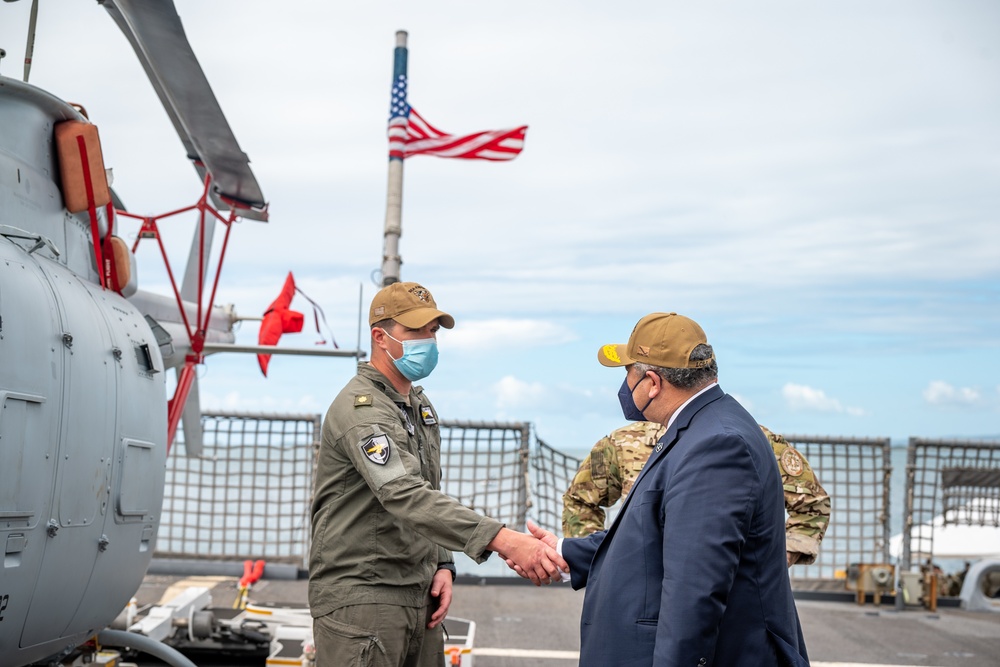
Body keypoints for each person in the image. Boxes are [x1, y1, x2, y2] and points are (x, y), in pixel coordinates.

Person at [522, 312, 809, 666]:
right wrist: (566, 550)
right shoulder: (702, 428)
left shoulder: (716, 445)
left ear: (653, 382)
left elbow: (695, 593)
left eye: (628, 373)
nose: (625, 386)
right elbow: (657, 534)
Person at [309, 281, 566, 666]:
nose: (428, 341)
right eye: (415, 331)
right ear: (381, 337)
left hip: (417, 590)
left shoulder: (417, 403)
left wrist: (442, 563)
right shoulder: (362, 410)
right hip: (364, 595)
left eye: (432, 331)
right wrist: (504, 540)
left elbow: (428, 490)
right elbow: (403, 493)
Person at [562, 422, 831, 567]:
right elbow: (580, 501)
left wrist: (778, 556)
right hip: (646, 586)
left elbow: (811, 506)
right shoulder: (622, 445)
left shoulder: (756, 440)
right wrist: (601, 563)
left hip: (733, 591)